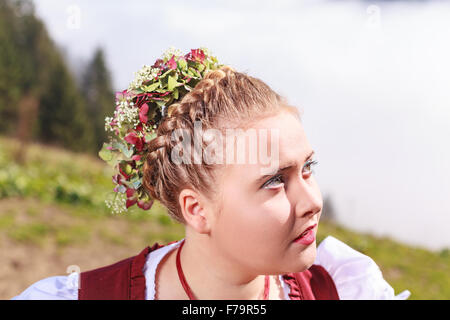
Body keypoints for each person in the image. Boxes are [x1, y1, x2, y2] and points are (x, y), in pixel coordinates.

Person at [12, 48, 410, 300]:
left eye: (308, 168)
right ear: (197, 210)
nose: (313, 202)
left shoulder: (345, 290)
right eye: (274, 180)